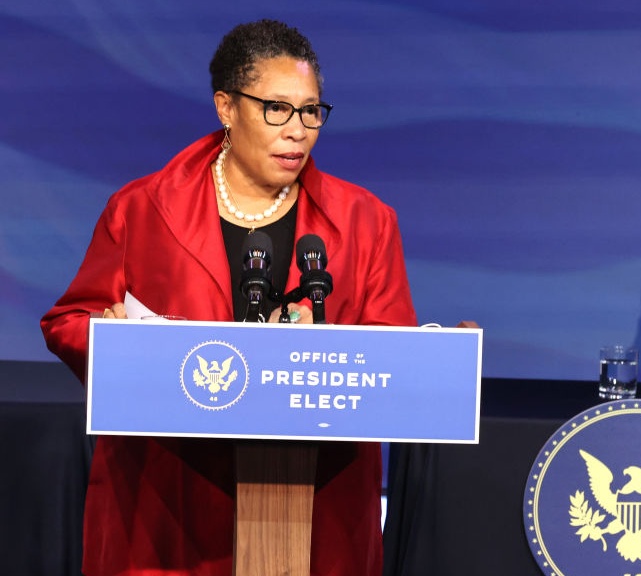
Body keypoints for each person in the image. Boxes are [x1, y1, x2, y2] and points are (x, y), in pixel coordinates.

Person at [40, 20, 416, 576]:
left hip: (316, 505)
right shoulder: (142, 209)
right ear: (226, 107)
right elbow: (69, 320)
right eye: (277, 109)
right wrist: (114, 342)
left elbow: (395, 358)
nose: (299, 131)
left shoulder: (366, 221)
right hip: (170, 502)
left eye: (312, 111)